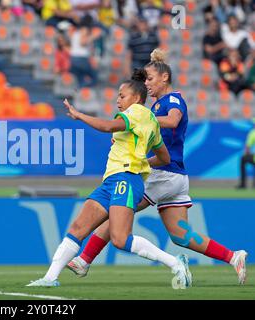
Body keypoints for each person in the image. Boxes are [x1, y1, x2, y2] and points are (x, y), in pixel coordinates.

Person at [67, 49, 248, 285]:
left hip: (164, 174)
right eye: (145, 81)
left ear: (164, 78)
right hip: (174, 175)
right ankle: (233, 257)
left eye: (150, 79)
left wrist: (140, 122)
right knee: (181, 236)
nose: (147, 85)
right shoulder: (152, 109)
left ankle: (84, 260)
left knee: (117, 212)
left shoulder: (171, 101)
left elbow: (172, 121)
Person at [27, 69, 192, 289]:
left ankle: (175, 263)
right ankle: (49, 278)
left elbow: (107, 127)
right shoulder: (149, 121)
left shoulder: (137, 113)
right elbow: (164, 156)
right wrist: (142, 159)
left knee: (120, 238)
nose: (118, 100)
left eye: (122, 96)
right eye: (118, 96)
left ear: (136, 98)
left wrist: (80, 115)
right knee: (78, 227)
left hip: (125, 179)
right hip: (112, 180)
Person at [237, 119, 255, 189]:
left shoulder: (253, 133)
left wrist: (247, 153)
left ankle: (243, 184)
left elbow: (247, 148)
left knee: (243, 159)